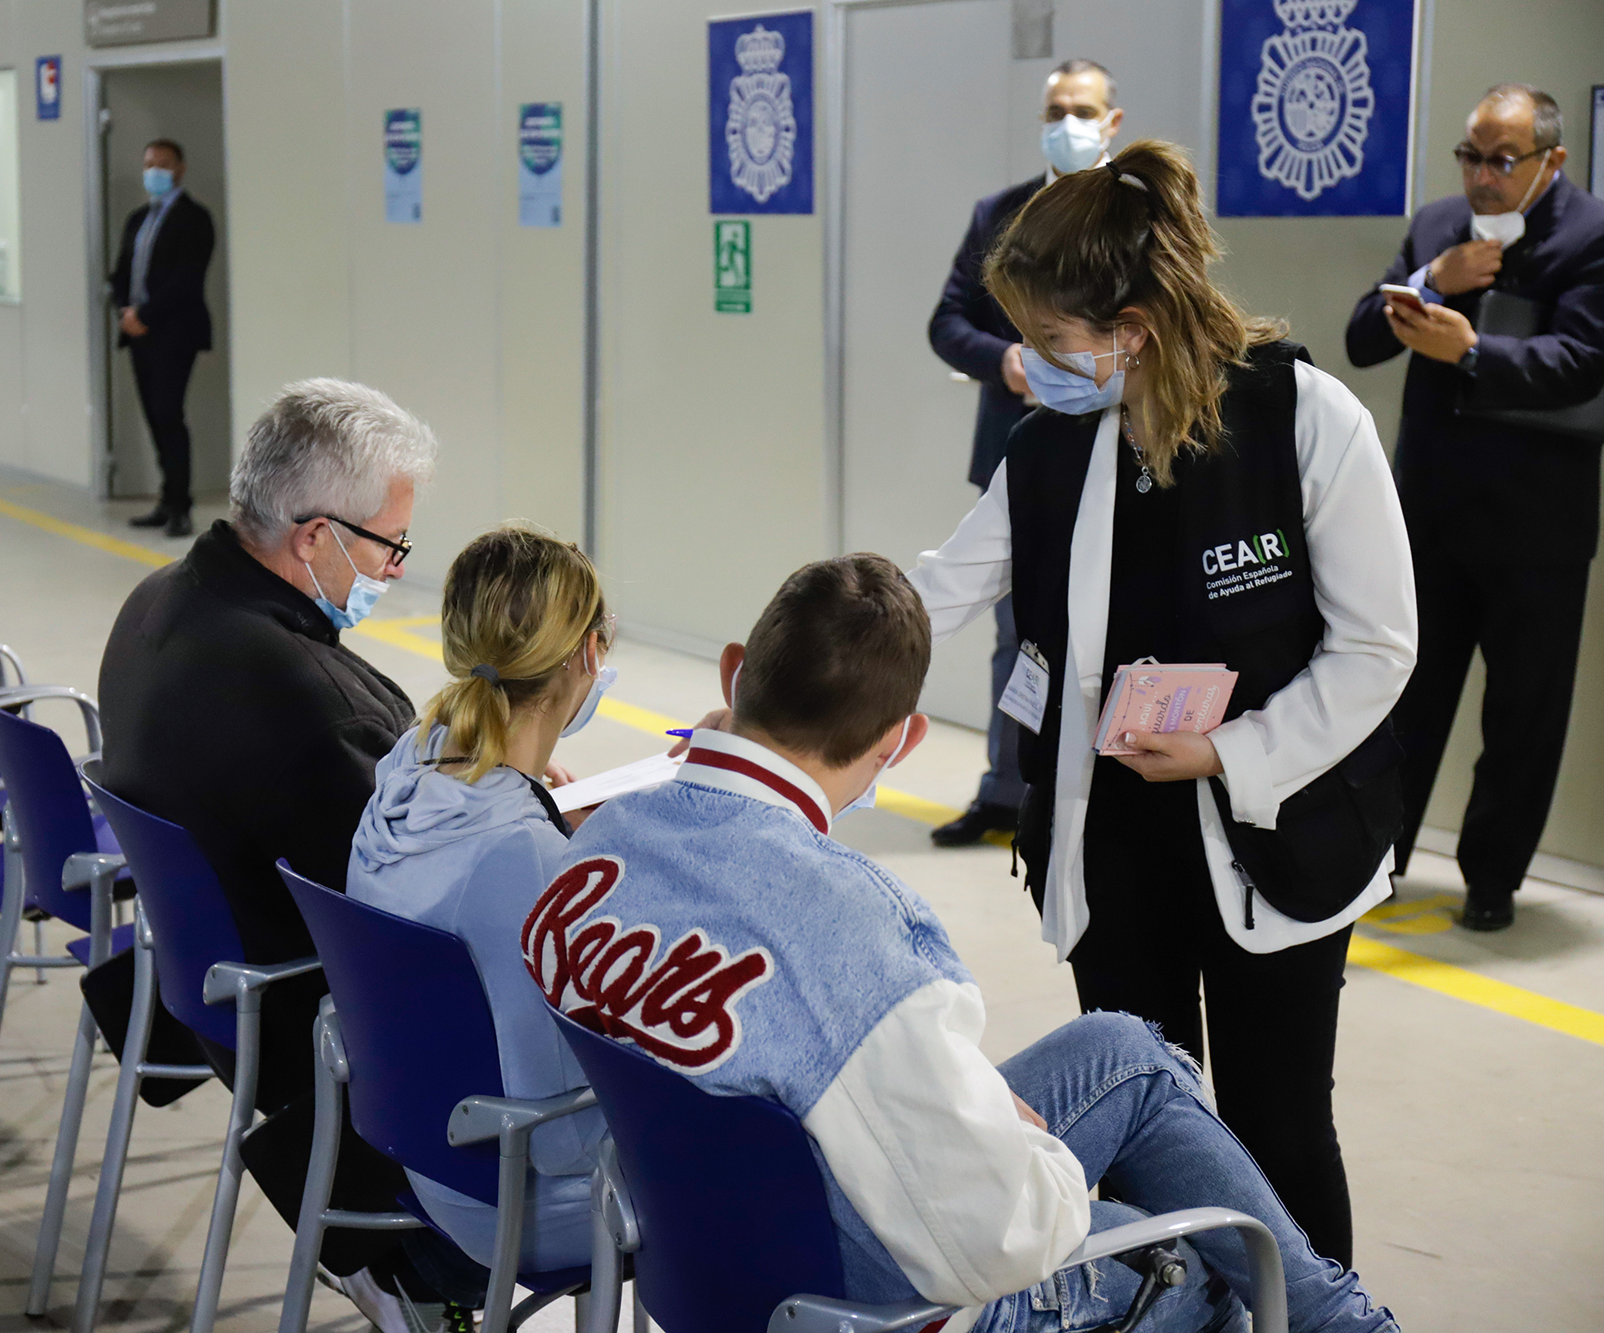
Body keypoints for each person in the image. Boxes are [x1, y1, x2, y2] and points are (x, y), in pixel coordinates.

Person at [530, 555, 1399, 1333]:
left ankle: (1339, 1318)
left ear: (733, 673)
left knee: (1124, 1049)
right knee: (1214, 1278)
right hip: (875, 1302)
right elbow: (999, 1240)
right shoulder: (861, 927)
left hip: (714, 1257)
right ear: (901, 742)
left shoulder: (601, 845)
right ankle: (1337, 1321)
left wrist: (977, 1112)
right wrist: (1032, 1150)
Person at [906, 140, 1416, 1267]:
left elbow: (1377, 647)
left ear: (1128, 329)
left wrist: (1233, 754)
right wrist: (802, 657)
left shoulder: (1301, 418)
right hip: (1113, 842)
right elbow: (938, 588)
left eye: (1049, 342)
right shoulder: (1049, 450)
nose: (1030, 366)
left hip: (1276, 835)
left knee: (1276, 1128)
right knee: (1146, 1129)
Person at [96, 377, 450, 1333]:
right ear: (313, 536)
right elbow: (416, 897)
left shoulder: (155, 601)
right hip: (307, 1034)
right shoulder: (302, 693)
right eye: (388, 544)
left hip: (200, 986)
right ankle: (417, 1258)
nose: (397, 569)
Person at [1345, 84, 1604, 931]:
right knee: (1405, 701)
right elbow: (1360, 335)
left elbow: (1582, 362)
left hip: (1539, 528)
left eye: (1503, 161)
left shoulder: (1592, 235)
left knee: (1523, 716)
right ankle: (1378, 863)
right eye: (1472, 157)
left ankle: (1492, 881)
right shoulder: (1435, 228)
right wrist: (1430, 279)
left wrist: (1474, 350)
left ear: (1550, 162)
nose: (1483, 178)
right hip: (1431, 518)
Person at [347, 524, 615, 1291]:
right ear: (586, 657)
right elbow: (565, 1139)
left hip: (422, 1146)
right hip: (510, 1199)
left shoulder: (406, 768)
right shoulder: (520, 856)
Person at [926, 58, 1123, 848]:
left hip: (1120, 448)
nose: (1067, 122)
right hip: (1019, 447)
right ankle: (1007, 793)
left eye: (1083, 109)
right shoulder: (998, 213)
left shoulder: (1137, 208)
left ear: (1113, 121)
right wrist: (1004, 361)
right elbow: (946, 321)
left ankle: (1103, 800)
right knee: (1017, 635)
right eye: (1056, 109)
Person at [109, 137, 216, 538]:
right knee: (154, 418)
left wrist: (147, 315)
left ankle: (181, 506)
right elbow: (121, 273)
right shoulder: (139, 218)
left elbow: (186, 280)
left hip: (173, 333)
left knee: (170, 415)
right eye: (149, 164)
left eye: (163, 165)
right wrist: (125, 310)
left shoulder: (195, 218)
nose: (154, 172)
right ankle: (165, 499)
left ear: (179, 168)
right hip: (137, 334)